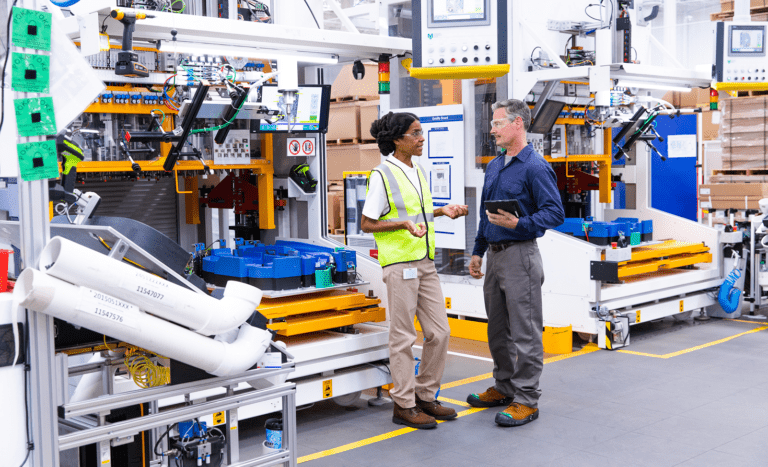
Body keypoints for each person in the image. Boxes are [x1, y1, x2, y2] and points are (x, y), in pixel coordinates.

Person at [361, 112, 469, 429]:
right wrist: (403, 223)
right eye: (416, 133)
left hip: (424, 260)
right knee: (403, 336)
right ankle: (404, 404)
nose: (422, 138)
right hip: (400, 263)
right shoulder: (382, 175)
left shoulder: (417, 170)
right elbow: (367, 222)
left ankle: (425, 395)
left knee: (440, 332)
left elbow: (416, 212)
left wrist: (441, 210)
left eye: (422, 132)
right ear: (397, 140)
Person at [466, 99, 564, 427]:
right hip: (494, 256)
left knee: (525, 332)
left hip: (521, 254)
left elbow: (554, 212)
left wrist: (518, 225)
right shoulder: (494, 166)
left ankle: (527, 399)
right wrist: (478, 251)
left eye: (497, 124)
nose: (491, 129)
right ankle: (504, 386)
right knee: (497, 330)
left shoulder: (535, 166)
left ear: (517, 124)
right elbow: (486, 214)